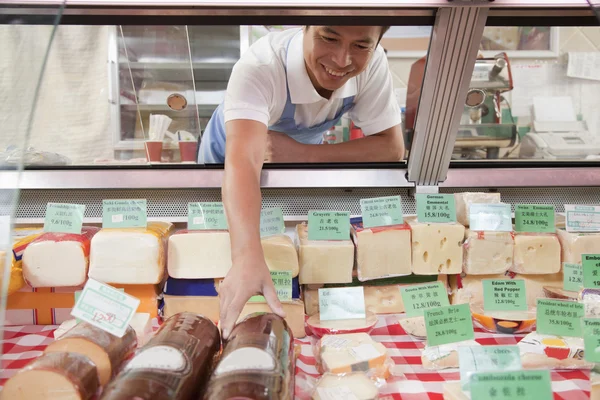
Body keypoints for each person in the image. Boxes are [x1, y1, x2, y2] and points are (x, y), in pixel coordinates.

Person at [207, 26, 406, 339]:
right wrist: (246, 256)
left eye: (360, 45)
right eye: (328, 38)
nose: (342, 59)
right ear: (306, 27)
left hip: (296, 162)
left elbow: (392, 147)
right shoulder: (261, 66)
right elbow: (243, 163)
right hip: (227, 161)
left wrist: (304, 153)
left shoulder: (374, 62)